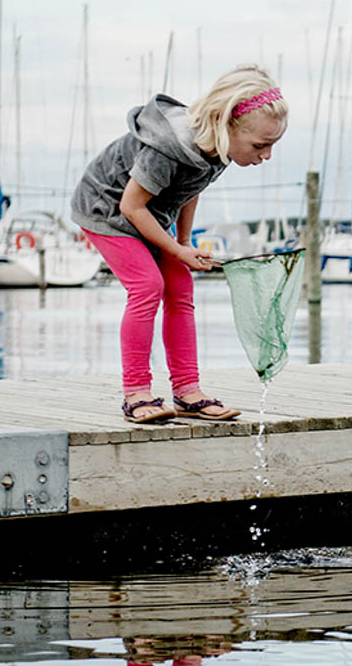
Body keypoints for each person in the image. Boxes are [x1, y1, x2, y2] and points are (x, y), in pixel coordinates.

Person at [71, 64, 287, 424]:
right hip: (107, 209)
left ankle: (188, 391)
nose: (266, 156)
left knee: (180, 286)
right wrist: (175, 249)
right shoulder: (169, 148)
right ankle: (137, 393)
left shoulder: (219, 148)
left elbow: (190, 190)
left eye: (273, 146)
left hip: (148, 214)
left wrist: (184, 242)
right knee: (147, 286)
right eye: (261, 145)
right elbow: (130, 206)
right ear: (225, 124)